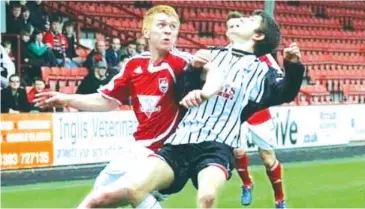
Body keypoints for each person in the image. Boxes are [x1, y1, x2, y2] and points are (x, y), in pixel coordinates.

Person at [72, 10, 304, 209]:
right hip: (179, 142)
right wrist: (193, 70)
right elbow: (182, 91)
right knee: (134, 190)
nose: (241, 20)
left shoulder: (262, 71)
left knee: (206, 196)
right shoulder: (209, 54)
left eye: (250, 20)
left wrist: (293, 68)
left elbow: (285, 92)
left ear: (258, 35)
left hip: (217, 145)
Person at [33, 5, 213, 209]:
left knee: (129, 193)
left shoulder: (184, 63)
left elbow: (216, 75)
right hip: (135, 148)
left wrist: (208, 69)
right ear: (146, 32)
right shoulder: (133, 65)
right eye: (161, 25)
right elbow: (107, 101)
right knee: (94, 201)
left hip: (165, 153)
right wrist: (66, 99)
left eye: (173, 26)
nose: (168, 30)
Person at [225, 11, 290, 209]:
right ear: (227, 32)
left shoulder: (263, 56)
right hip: (236, 115)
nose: (235, 28)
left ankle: (279, 199)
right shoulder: (224, 55)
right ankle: (247, 183)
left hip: (259, 114)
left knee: (267, 157)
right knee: (238, 151)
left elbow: (279, 83)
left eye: (238, 25)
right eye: (232, 27)